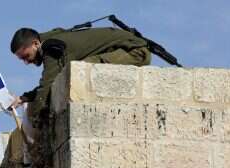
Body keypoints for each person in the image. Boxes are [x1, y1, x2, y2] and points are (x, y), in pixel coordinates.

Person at [10, 27, 151, 128]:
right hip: (127, 48)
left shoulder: (51, 49)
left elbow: (48, 84)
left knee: (81, 68)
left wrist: (35, 119)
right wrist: (25, 97)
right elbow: (50, 82)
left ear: (36, 44)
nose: (26, 62)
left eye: (26, 56)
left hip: (136, 52)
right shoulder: (51, 41)